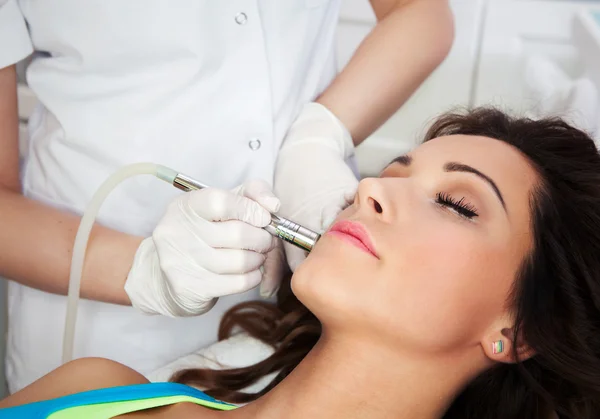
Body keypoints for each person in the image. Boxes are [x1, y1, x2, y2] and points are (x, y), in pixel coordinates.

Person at [1, 108, 599, 419]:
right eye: (392, 171)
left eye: (453, 203)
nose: (368, 190)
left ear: (519, 333)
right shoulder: (96, 387)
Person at [0, 0, 455, 393]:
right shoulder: (92, 376)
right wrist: (145, 271)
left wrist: (314, 139)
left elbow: (419, 12)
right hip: (89, 306)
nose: (374, 190)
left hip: (290, 325)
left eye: (458, 205)